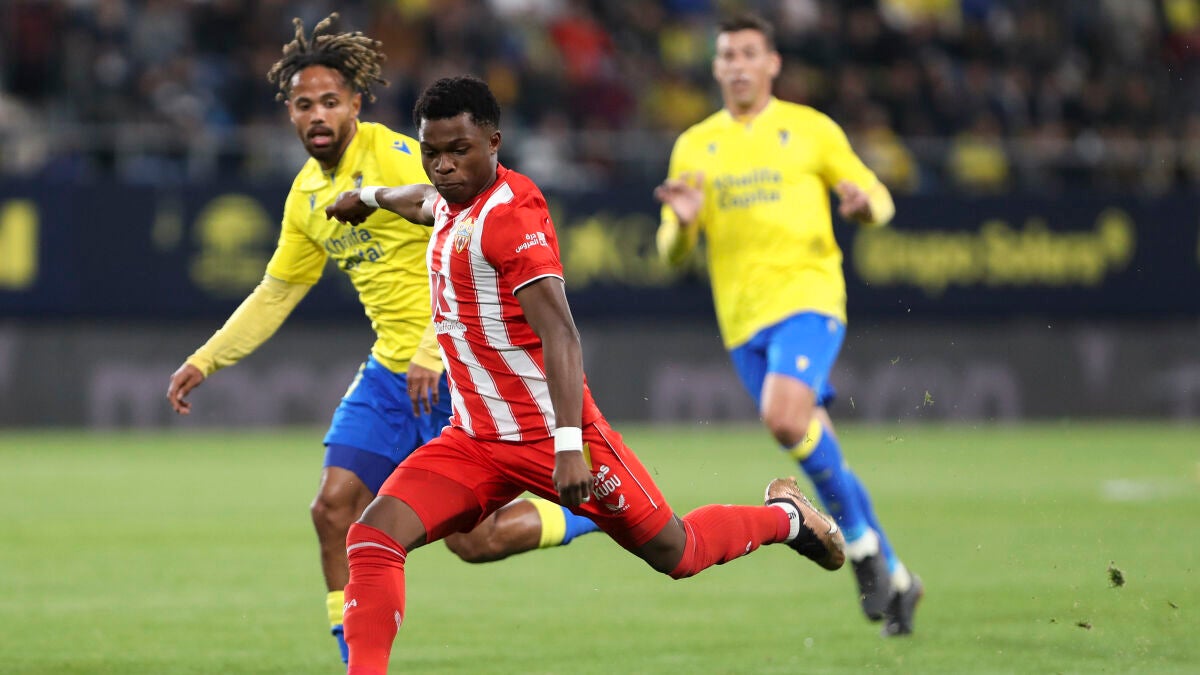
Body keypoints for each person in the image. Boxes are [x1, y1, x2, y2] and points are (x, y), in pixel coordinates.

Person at [323, 75, 846, 674]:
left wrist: (569, 445)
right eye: (432, 152)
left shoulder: (511, 216)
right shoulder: (449, 199)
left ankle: (787, 518)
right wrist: (366, 198)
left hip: (553, 437)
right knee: (372, 537)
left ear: (493, 142)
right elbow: (420, 201)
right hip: (474, 441)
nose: (443, 166)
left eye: (458, 150)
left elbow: (561, 334)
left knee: (678, 552)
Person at [163, 15, 599, 664]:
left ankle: (590, 514)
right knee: (332, 508)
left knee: (473, 542)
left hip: (455, 370)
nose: (318, 115)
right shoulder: (306, 196)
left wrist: (430, 350)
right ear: (289, 113)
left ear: (355, 105)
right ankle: (355, 661)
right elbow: (277, 290)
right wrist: (206, 359)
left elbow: (466, 235)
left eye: (330, 101)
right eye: (304, 104)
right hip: (391, 374)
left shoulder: (398, 156)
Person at [654, 13, 922, 637]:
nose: (739, 65)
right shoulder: (695, 144)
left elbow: (878, 195)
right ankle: (899, 577)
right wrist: (685, 224)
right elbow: (670, 252)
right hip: (741, 324)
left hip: (809, 298)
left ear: (772, 63)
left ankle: (861, 548)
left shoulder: (810, 129)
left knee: (783, 418)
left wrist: (867, 208)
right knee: (814, 444)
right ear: (716, 67)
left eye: (750, 53)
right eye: (728, 55)